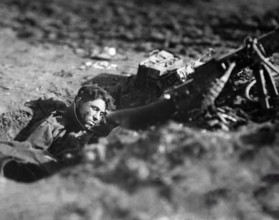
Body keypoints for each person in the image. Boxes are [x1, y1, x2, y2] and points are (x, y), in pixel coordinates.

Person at [0, 84, 115, 182]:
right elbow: (27, 154)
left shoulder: (81, 129)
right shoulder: (54, 123)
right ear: (79, 102)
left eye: (101, 114)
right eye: (94, 109)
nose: (97, 117)